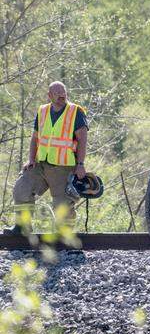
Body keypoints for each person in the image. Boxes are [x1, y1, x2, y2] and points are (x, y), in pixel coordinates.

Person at [4, 82, 89, 234]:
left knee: (62, 205)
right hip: (41, 164)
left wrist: (81, 164)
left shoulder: (75, 111)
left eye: (64, 92)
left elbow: (82, 139)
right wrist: (31, 159)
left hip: (63, 167)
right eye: (57, 93)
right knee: (21, 189)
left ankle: (65, 237)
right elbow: (35, 138)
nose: (62, 95)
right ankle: (23, 227)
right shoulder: (42, 110)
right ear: (49, 95)